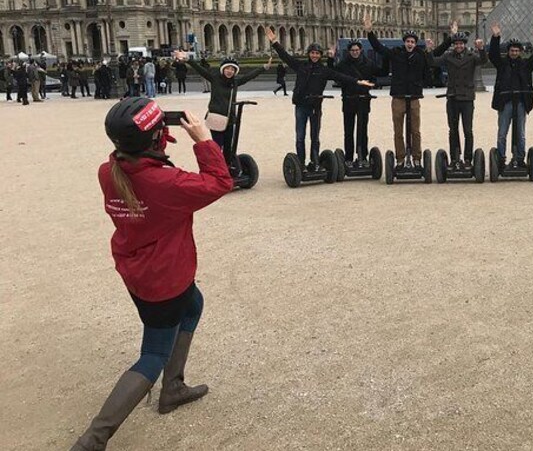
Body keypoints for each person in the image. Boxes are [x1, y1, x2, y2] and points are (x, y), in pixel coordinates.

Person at [69, 98, 232, 450]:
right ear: (159, 138)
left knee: (194, 304)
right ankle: (94, 439)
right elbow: (220, 182)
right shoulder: (166, 182)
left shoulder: (109, 169)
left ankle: (173, 388)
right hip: (164, 277)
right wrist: (204, 140)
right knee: (152, 355)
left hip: (139, 269)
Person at [267, 28, 374, 168]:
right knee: (300, 137)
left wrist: (358, 81)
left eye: (317, 53)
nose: (315, 56)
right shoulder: (301, 66)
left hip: (315, 106)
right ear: (309, 54)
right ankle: (300, 162)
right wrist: (275, 42)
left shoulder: (324, 70)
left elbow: (341, 76)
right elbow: (286, 56)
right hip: (301, 105)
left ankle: (314, 161)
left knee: (315, 137)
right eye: (312, 53)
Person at [364, 14, 433, 168]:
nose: (410, 44)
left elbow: (433, 62)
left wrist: (431, 50)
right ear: (404, 42)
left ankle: (416, 158)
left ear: (416, 43)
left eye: (413, 42)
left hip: (414, 96)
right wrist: (369, 32)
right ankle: (400, 159)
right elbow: (379, 48)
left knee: (415, 130)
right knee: (398, 131)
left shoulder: (421, 55)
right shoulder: (396, 53)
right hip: (398, 96)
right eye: (408, 41)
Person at [178, 51, 270, 163]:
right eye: (228, 68)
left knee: (228, 147)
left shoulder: (235, 82)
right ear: (223, 69)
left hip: (230, 119)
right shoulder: (215, 79)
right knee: (217, 146)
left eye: (233, 69)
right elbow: (200, 69)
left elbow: (248, 77)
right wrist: (188, 59)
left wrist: (264, 67)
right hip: (216, 118)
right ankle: (217, 167)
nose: (230, 71)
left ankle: (227, 167)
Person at [488, 20, 533, 168]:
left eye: (517, 50)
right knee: (502, 133)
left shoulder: (526, 65)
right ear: (508, 51)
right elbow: (493, 54)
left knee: (521, 134)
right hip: (505, 103)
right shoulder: (502, 64)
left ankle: (520, 159)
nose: (514, 52)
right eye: (512, 50)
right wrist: (496, 37)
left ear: (520, 52)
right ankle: (501, 158)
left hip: (521, 102)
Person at [426, 22, 487, 167]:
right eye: (456, 44)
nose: (459, 46)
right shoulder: (448, 57)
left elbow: (483, 60)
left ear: (464, 44)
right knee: (453, 130)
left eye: (461, 43)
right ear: (453, 45)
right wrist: (429, 50)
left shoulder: (472, 56)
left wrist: (482, 49)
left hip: (466, 99)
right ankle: (454, 158)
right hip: (452, 97)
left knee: (467, 130)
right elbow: (432, 62)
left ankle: (467, 159)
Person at [328, 40, 380, 163]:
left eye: (357, 50)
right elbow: (333, 74)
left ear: (360, 50)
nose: (355, 52)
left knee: (363, 130)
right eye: (352, 50)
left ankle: (363, 156)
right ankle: (349, 157)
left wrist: (373, 84)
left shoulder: (368, 63)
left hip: (363, 99)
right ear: (349, 51)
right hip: (348, 99)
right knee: (348, 130)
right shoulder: (343, 64)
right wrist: (330, 58)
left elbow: (376, 76)